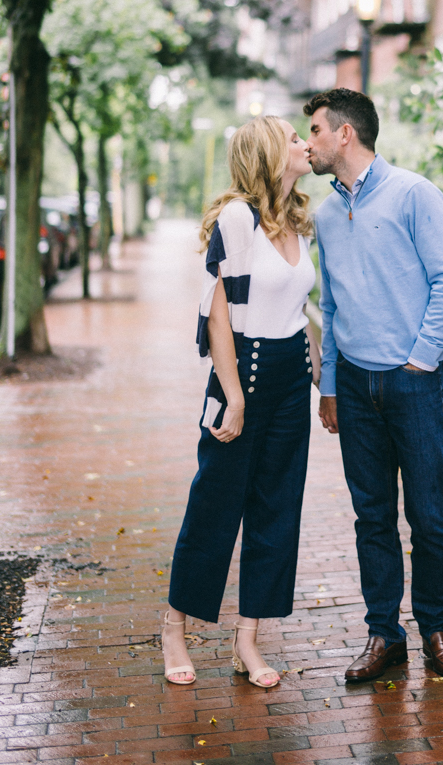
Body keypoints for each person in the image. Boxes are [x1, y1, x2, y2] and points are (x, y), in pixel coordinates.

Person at [305, 88, 443, 681]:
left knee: (428, 515)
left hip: (414, 385)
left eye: (317, 132)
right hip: (352, 384)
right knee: (372, 517)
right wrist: (328, 385)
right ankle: (384, 635)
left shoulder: (414, 194)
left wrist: (420, 361)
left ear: (345, 134)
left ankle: (437, 631)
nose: (310, 144)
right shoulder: (325, 214)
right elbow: (329, 304)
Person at [162, 116, 320, 687]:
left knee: (277, 512)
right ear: (269, 154)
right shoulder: (238, 217)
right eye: (295, 138)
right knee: (215, 506)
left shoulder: (299, 220)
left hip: (288, 380)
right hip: (242, 373)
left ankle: (247, 641)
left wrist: (320, 382)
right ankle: (174, 627)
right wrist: (233, 397)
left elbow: (298, 314)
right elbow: (220, 312)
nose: (306, 144)